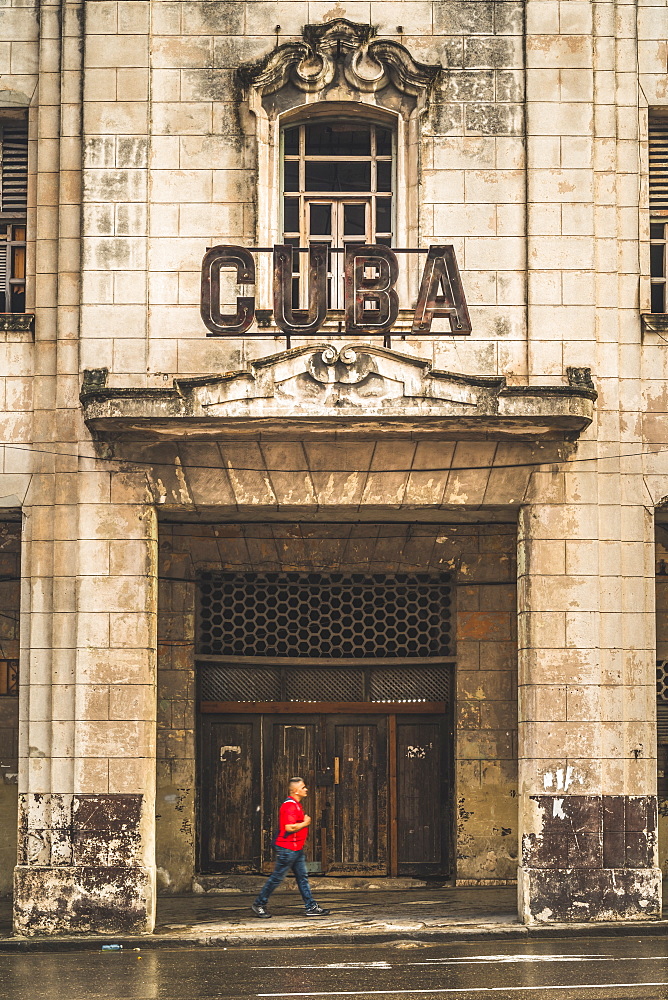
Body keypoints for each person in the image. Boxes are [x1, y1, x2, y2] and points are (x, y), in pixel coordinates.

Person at [251, 776, 331, 918]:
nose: (306, 789)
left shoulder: (297, 804)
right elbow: (289, 827)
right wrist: (305, 823)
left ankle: (311, 906)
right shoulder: (289, 806)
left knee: (302, 877)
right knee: (277, 878)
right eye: (303, 787)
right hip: (287, 849)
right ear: (295, 791)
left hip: (295, 849)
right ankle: (259, 904)